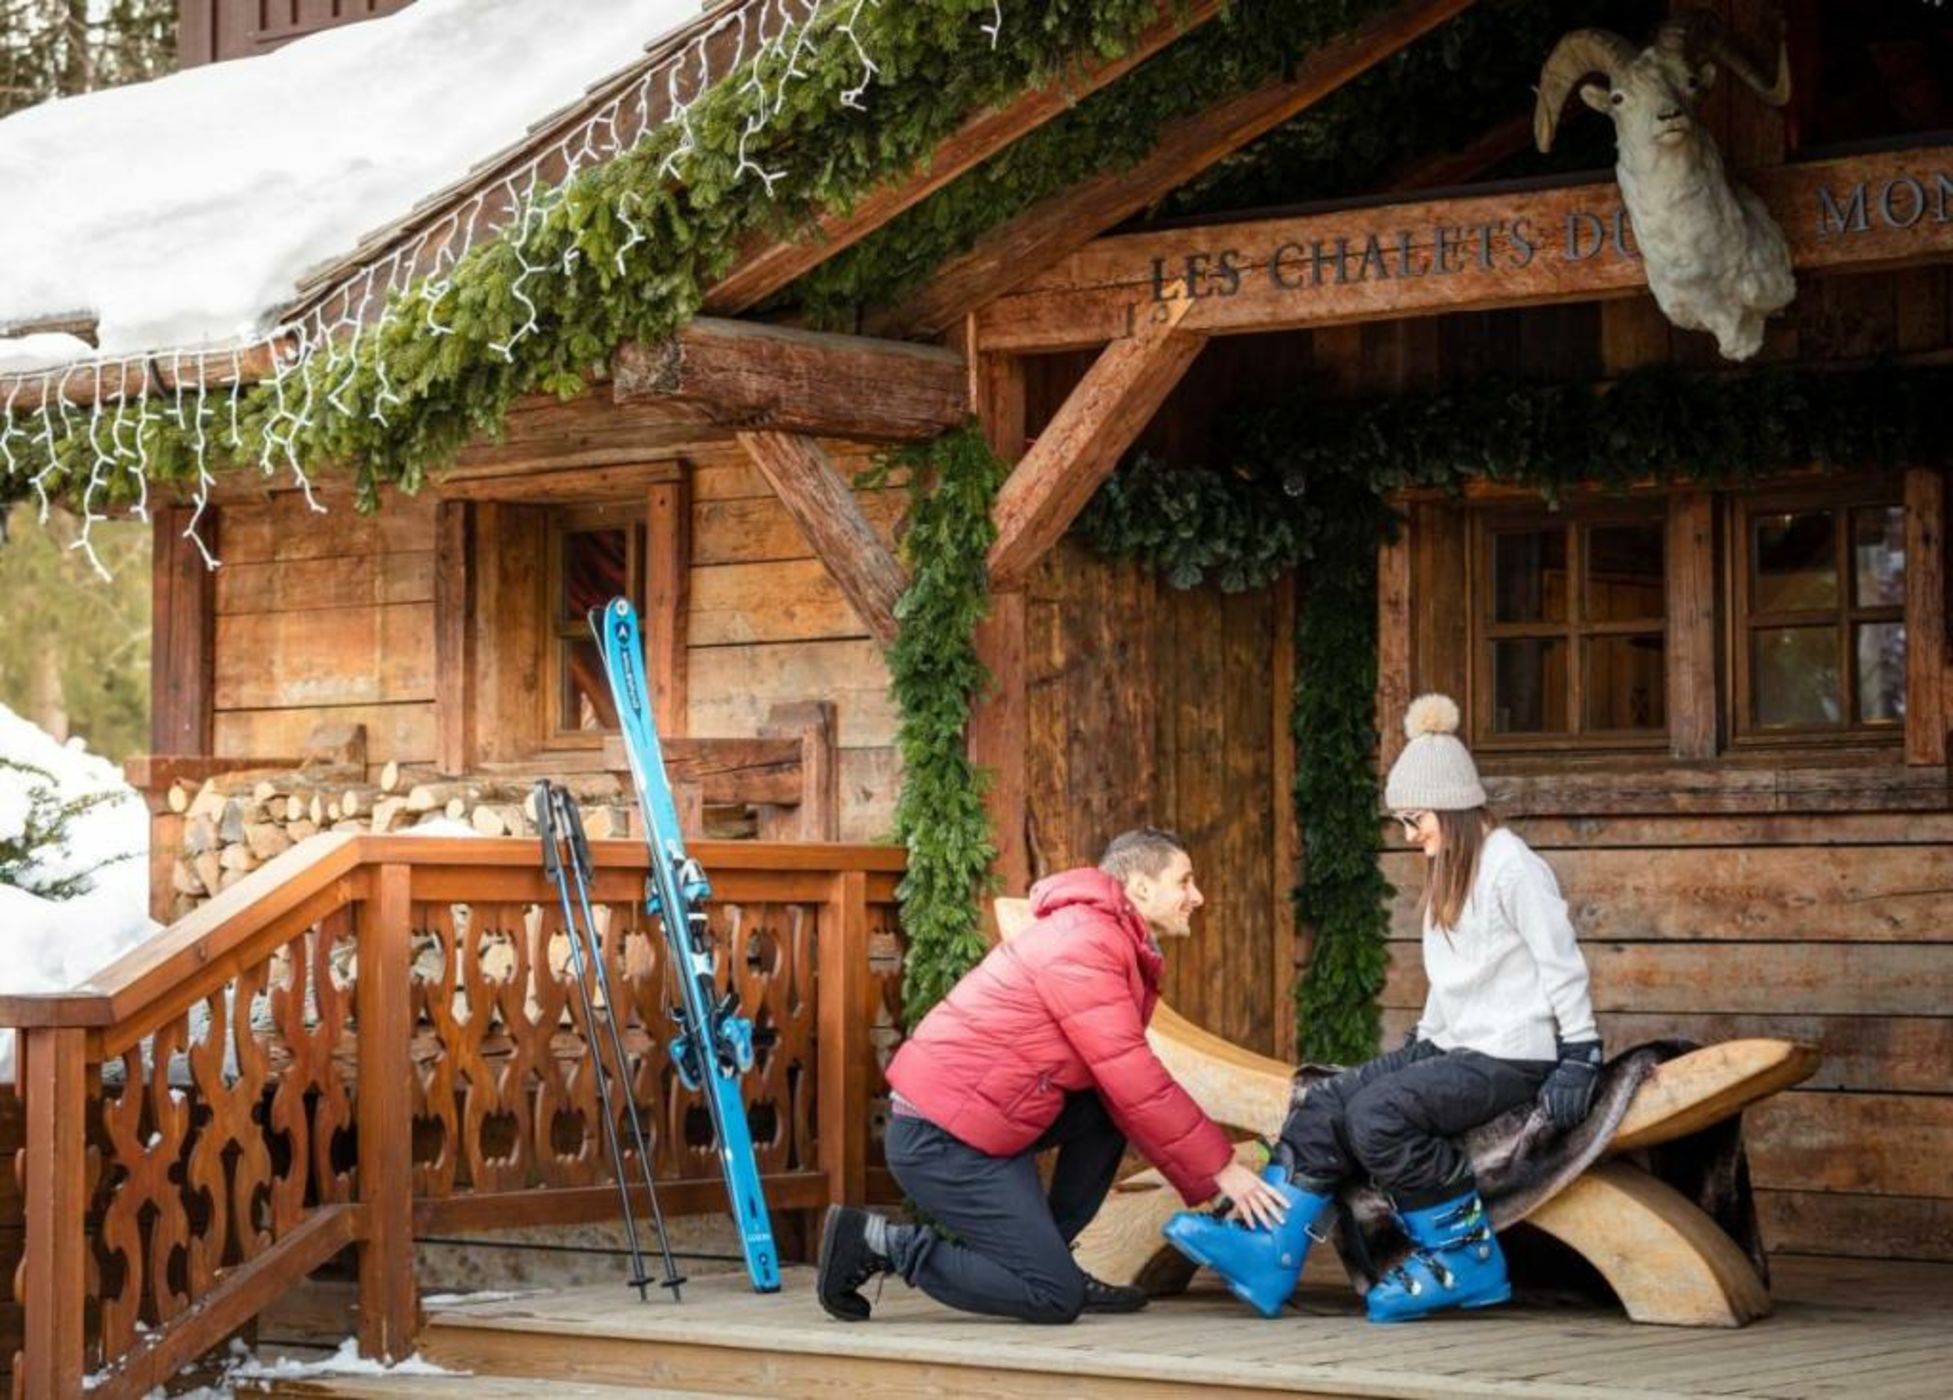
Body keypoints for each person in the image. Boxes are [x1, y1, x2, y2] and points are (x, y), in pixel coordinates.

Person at [1163, 694, 1602, 1323]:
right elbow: (1455, 978)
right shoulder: (1455, 868)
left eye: (1415, 818)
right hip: (1455, 1045)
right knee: (1324, 1101)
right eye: (1403, 821)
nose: (1409, 834)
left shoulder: (1513, 868)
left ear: (1451, 805)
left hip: (1510, 1055)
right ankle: (1270, 1251)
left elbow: (1560, 961)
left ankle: (1467, 1258)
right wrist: (1423, 1044)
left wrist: (1581, 1053)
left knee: (1378, 1114)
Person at [815, 827, 1290, 1324]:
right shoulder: (1085, 942)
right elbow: (1133, 1074)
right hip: (942, 1138)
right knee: (1052, 1296)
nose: (1198, 896)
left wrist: (1208, 1179)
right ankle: (880, 1243)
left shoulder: (1103, 935)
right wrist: (1221, 1169)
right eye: (1185, 881)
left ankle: (1052, 1258)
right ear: (1141, 888)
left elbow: (1124, 1091)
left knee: (1107, 1109)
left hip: (989, 1124)